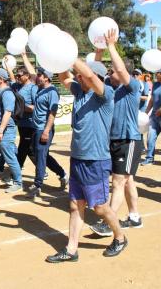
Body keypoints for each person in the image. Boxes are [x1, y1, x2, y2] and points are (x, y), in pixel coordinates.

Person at [47, 59, 128, 263]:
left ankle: (120, 237)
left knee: (99, 207)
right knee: (76, 205)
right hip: (77, 159)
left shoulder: (105, 94)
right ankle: (71, 250)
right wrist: (60, 57)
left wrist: (71, 56)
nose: (78, 78)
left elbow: (90, 76)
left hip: (96, 161)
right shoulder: (80, 91)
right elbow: (64, 76)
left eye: (81, 75)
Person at [89, 30, 143, 237]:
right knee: (127, 181)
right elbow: (92, 73)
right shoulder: (109, 89)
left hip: (128, 140)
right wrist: (98, 52)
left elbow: (120, 68)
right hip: (113, 140)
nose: (110, 74)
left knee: (118, 181)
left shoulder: (132, 87)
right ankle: (135, 216)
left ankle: (108, 220)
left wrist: (112, 46)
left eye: (112, 72)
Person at [27, 67, 68, 198]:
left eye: (39, 74)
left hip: (44, 129)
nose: (36, 76)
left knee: (40, 155)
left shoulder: (52, 92)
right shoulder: (40, 88)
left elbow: (53, 112)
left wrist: (46, 130)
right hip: (36, 128)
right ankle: (62, 174)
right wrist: (23, 55)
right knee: (42, 154)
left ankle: (37, 185)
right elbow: (31, 73)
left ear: (46, 77)